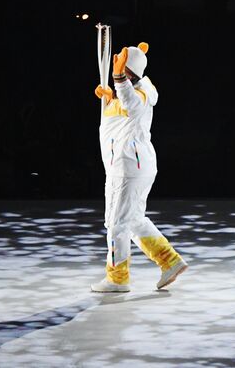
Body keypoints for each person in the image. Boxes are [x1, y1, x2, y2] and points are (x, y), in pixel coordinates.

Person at [91, 43, 189, 293]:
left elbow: (132, 105)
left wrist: (119, 79)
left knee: (116, 224)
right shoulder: (134, 92)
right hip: (130, 165)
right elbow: (124, 112)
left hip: (128, 167)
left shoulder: (140, 93)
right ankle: (170, 261)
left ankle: (117, 278)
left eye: (122, 68)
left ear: (128, 72)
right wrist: (110, 97)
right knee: (132, 219)